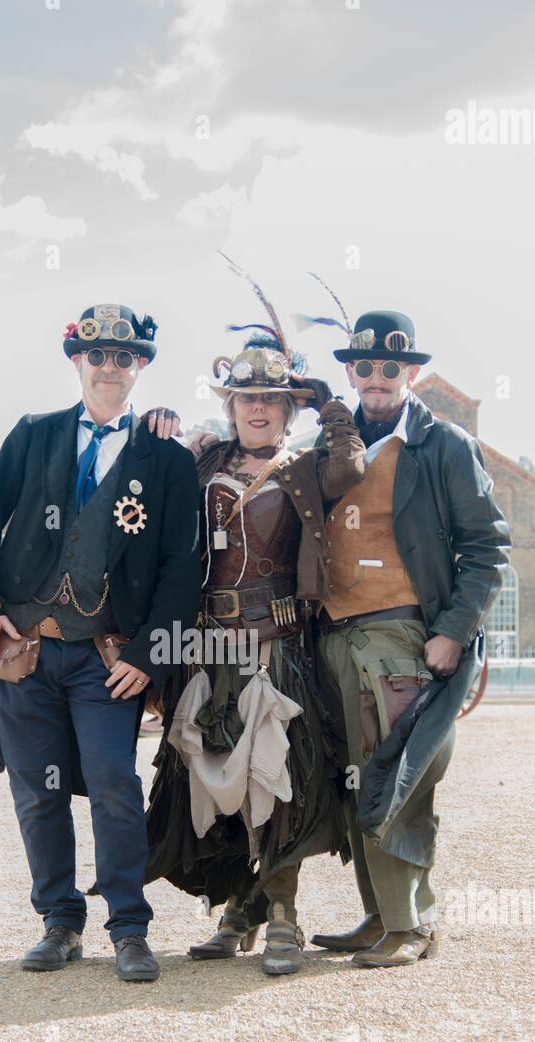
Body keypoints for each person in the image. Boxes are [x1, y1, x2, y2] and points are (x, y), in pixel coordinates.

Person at [0, 303, 201, 982]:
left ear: (140, 366)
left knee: (115, 783)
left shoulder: (167, 459)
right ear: (77, 362)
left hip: (108, 659)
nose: (109, 367)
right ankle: (59, 922)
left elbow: (183, 570)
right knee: (36, 790)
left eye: (124, 357)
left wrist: (150, 654)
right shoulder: (31, 436)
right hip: (21, 655)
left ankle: (128, 928)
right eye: (97, 355)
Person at [146, 331, 365, 975]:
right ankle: (241, 908)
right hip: (208, 646)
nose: (258, 409)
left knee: (278, 779)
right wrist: (155, 427)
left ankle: (285, 921)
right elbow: (149, 489)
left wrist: (332, 407)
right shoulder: (202, 459)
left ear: (288, 407)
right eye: (247, 398)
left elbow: (351, 467)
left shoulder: (305, 466)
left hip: (278, 646)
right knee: (217, 778)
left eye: (272, 398)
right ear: (231, 405)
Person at [308, 309, 511, 966]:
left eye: (389, 367)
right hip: (332, 636)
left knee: (396, 776)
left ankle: (411, 927)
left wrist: (453, 632)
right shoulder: (327, 446)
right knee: (353, 780)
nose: (375, 378)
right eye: (363, 367)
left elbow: (485, 547)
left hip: (401, 635)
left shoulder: (444, 445)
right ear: (349, 371)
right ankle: (379, 917)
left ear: (410, 372)